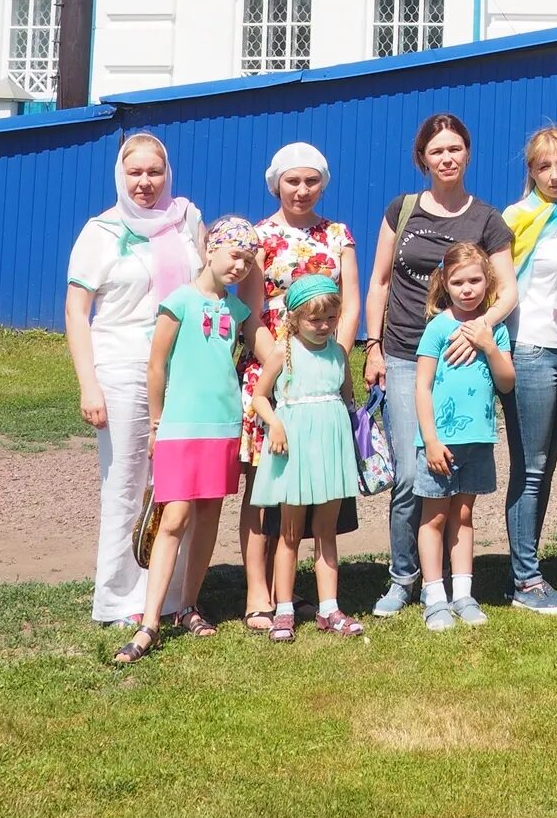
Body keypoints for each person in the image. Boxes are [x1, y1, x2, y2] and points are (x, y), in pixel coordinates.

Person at [363, 114, 516, 617]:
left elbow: (507, 289)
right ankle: (405, 578)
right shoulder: (402, 210)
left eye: (455, 148)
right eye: (437, 150)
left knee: (459, 486)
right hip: (408, 352)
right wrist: (373, 346)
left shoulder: (488, 219)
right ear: (422, 158)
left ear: (467, 154)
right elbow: (380, 281)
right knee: (412, 473)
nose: (447, 157)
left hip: (468, 355)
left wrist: (482, 329)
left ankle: (457, 585)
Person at [63, 132, 204, 626]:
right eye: (135, 173)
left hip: (182, 369)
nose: (145, 183)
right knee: (126, 481)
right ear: (120, 175)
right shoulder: (101, 230)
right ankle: (119, 600)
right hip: (122, 368)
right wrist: (88, 384)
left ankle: (167, 597)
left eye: (154, 172)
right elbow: (77, 312)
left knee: (173, 482)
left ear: (168, 173)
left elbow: (203, 288)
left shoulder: (187, 219)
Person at [113, 218, 259, 663]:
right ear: (210, 250)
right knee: (174, 518)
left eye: (248, 261)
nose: (239, 266)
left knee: (209, 515)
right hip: (180, 427)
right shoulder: (178, 301)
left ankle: (189, 606)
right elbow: (156, 365)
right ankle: (150, 622)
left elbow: (267, 351)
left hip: (223, 427)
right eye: (234, 255)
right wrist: (157, 423)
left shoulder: (237, 312)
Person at [240, 143, 361, 635]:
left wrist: (334, 354)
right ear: (277, 183)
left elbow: (349, 303)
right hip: (273, 361)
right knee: (265, 485)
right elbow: (251, 309)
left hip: (324, 362)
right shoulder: (259, 236)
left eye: (312, 181)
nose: (302, 190)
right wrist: (282, 356)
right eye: (293, 181)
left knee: (318, 489)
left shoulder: (337, 234)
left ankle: (318, 597)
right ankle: (258, 593)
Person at [248, 272, 364, 641]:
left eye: (331, 318)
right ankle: (283, 609)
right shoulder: (283, 353)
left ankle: (329, 608)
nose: (324, 326)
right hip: (294, 449)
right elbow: (259, 397)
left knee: (326, 531)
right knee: (290, 532)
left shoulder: (339, 353)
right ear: (294, 318)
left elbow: (346, 399)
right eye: (315, 319)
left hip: (330, 447)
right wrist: (276, 425)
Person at [413, 242, 514, 632]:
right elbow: (422, 387)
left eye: (475, 280)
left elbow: (507, 383)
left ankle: (464, 593)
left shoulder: (495, 331)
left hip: (478, 440)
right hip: (439, 443)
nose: (467, 289)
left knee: (465, 515)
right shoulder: (438, 328)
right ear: (445, 284)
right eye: (458, 282)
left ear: (488, 283)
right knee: (434, 516)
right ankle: (434, 595)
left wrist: (489, 346)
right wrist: (431, 440)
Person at [501, 124, 557, 615]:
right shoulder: (516, 218)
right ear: (530, 171)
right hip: (530, 348)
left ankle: (529, 568)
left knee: (547, 466)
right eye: (544, 166)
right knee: (530, 467)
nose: (554, 175)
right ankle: (525, 579)